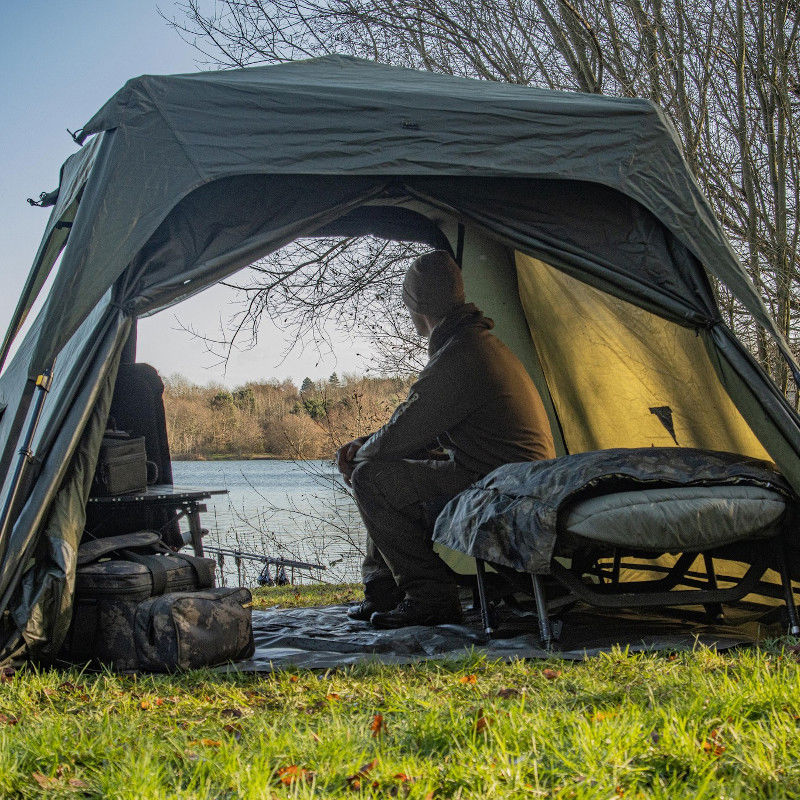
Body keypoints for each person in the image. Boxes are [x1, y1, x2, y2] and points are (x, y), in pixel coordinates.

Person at [336, 250, 556, 628]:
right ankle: (384, 591)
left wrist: (358, 452)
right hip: (507, 474)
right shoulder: (474, 344)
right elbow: (417, 429)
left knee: (372, 477)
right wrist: (366, 447)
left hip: (507, 484)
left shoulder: (460, 355)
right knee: (382, 471)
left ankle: (429, 598)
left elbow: (399, 435)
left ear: (416, 305)